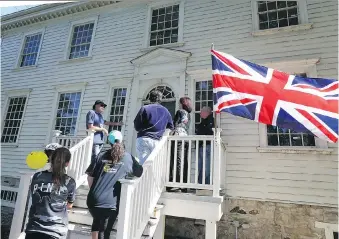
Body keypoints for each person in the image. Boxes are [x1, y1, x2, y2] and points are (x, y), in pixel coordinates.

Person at [86, 130, 143, 239]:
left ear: (109, 141)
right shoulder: (127, 157)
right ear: (121, 141)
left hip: (93, 200)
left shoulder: (101, 155)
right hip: (110, 203)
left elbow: (89, 177)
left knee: (98, 221)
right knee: (104, 232)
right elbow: (139, 172)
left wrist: (95, 192)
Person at [25, 147, 76, 239]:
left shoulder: (37, 177)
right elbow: (69, 205)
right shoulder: (70, 182)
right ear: (67, 163)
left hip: (34, 229)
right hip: (56, 231)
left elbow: (34, 197)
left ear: (51, 160)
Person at [134, 90, 174, 164]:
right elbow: (170, 127)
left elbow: (136, 126)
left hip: (143, 139)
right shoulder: (165, 111)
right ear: (160, 99)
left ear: (150, 98)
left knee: (143, 165)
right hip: (157, 141)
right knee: (156, 165)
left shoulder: (144, 108)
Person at [168, 97, 192, 192]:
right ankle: (184, 184)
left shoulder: (180, 111)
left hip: (178, 137)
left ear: (182, 103)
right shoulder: (189, 115)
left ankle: (176, 183)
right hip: (185, 137)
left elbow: (174, 125)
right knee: (184, 160)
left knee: (176, 160)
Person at [196, 106, 214, 185]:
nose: (200, 113)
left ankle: (205, 184)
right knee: (201, 166)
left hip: (207, 146)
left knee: (206, 167)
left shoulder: (210, 121)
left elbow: (208, 131)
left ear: (206, 112)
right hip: (202, 146)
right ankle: (201, 184)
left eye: (201, 111)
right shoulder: (204, 121)